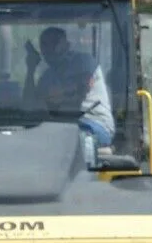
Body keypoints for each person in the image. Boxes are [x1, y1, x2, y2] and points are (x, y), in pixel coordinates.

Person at [35, 25, 116, 164]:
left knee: (76, 140)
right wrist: (31, 69)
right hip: (61, 127)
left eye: (54, 43)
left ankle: (86, 179)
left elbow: (82, 88)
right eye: (44, 44)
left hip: (94, 124)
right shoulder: (46, 77)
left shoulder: (84, 61)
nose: (48, 49)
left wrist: (57, 95)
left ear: (66, 44)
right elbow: (33, 103)